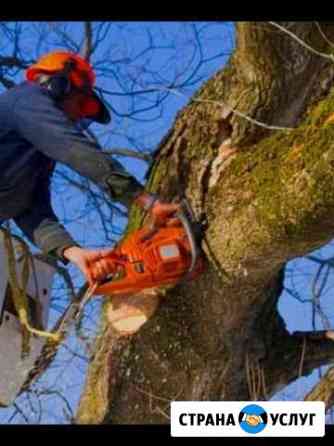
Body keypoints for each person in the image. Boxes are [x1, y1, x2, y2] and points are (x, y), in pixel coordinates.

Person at [0, 51, 178, 286]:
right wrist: (145, 199)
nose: (78, 116)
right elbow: (74, 148)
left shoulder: (32, 155)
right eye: (81, 103)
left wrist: (73, 252)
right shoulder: (26, 99)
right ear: (58, 85)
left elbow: (33, 211)